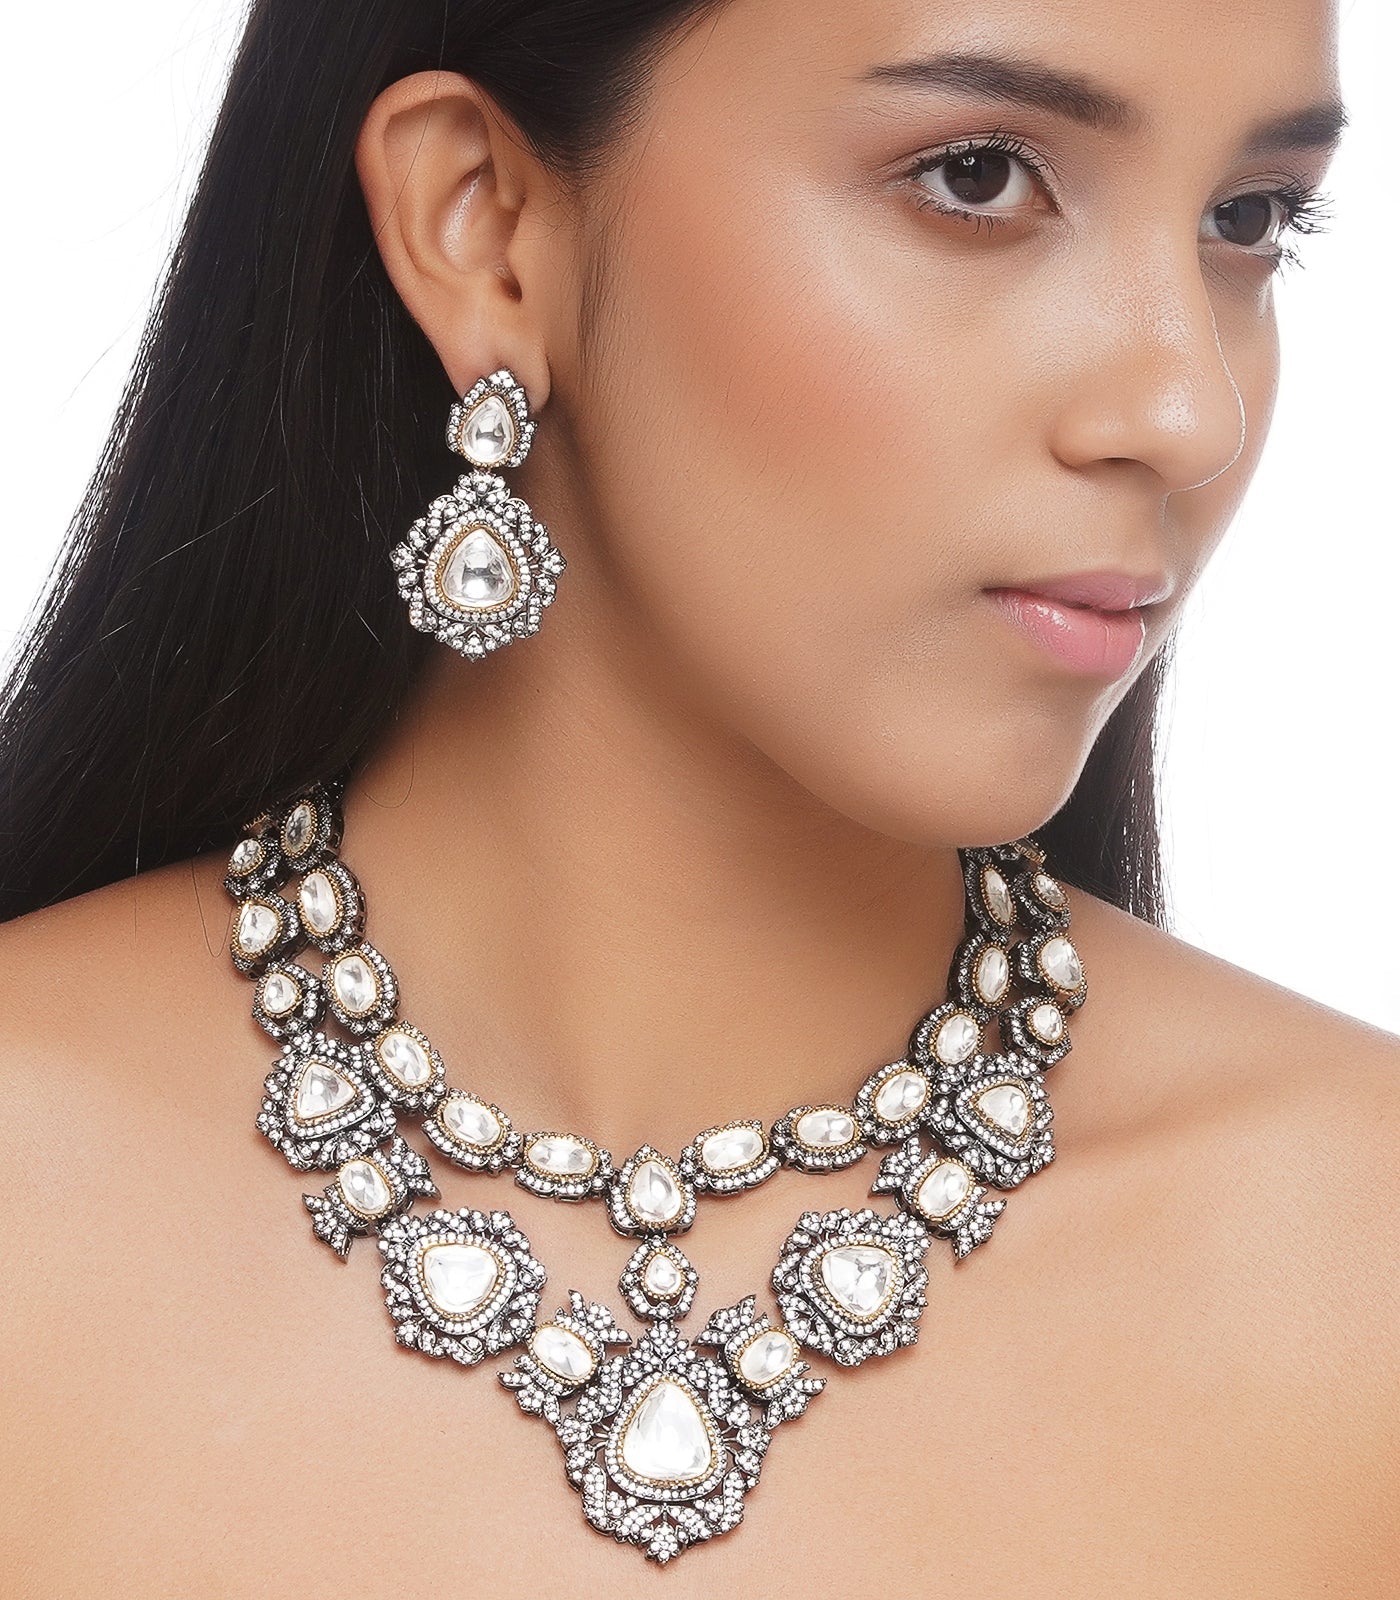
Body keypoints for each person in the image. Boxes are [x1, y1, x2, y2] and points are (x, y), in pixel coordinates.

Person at [1, 0, 1395, 1590]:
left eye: (1248, 219)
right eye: (978, 177)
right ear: (484, 227)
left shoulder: (1360, 1271)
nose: (1187, 412)